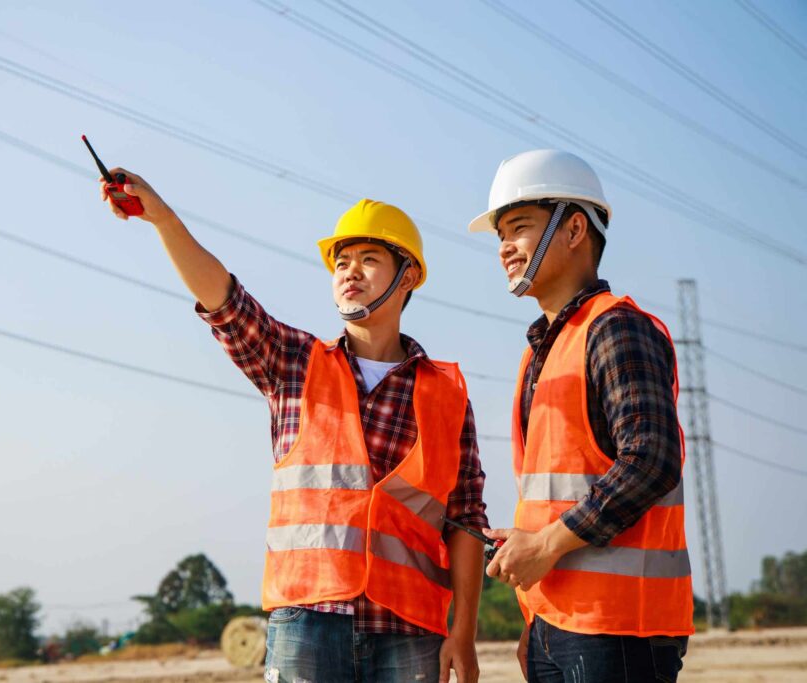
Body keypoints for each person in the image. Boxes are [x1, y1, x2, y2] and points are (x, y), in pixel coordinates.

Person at [99, 170, 488, 682]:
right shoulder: (295, 363)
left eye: (369, 260)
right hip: (308, 620)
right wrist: (164, 221)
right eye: (341, 262)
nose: (350, 272)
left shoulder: (447, 394)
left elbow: (465, 520)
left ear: (409, 275)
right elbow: (224, 301)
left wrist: (463, 632)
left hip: (410, 628)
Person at [468, 149, 694, 682]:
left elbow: (652, 460)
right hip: (557, 622)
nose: (504, 247)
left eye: (518, 227)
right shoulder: (540, 351)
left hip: (618, 630)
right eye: (500, 234)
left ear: (574, 229)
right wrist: (535, 610)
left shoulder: (617, 329)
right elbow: (558, 491)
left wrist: (545, 545)